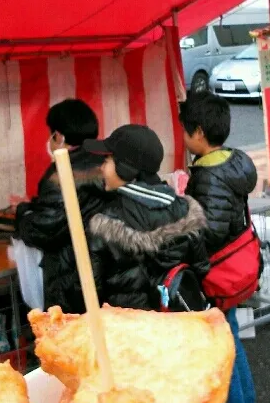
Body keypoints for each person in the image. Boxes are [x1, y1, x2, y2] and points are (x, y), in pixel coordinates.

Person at [179, 92, 258, 403]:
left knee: (225, 344)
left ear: (198, 133)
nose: (182, 138)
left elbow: (209, 233)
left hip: (218, 272)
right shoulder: (234, 161)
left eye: (184, 131)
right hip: (238, 263)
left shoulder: (208, 176)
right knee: (232, 338)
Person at [83, 124, 209, 310]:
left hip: (130, 330)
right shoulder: (186, 210)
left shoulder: (105, 223)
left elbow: (89, 290)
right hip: (178, 324)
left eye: (108, 160)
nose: (102, 168)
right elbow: (201, 268)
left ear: (125, 169)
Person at [15, 99, 106, 312]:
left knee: (71, 338)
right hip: (104, 268)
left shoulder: (60, 174)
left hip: (72, 275)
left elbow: (44, 229)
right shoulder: (106, 162)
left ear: (58, 136)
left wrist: (23, 213)